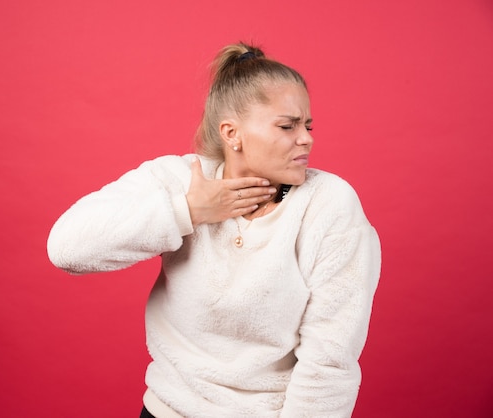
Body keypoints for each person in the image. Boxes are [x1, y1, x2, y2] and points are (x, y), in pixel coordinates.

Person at [47, 42, 381, 418]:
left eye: (307, 125)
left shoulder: (329, 204)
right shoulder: (180, 179)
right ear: (231, 133)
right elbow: (67, 248)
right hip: (167, 409)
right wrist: (189, 211)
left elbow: (330, 359)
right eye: (287, 126)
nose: (306, 138)